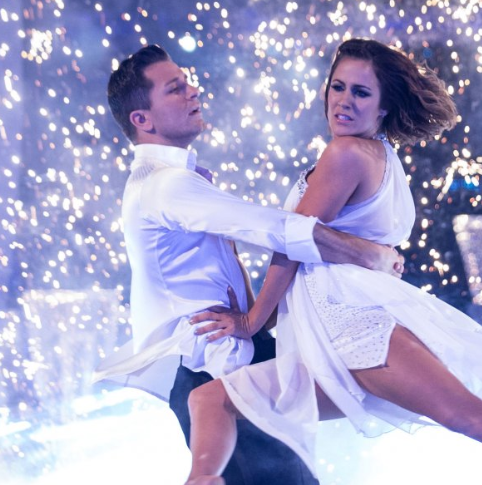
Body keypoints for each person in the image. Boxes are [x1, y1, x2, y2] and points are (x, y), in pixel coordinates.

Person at [184, 39, 482, 485]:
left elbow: (292, 241)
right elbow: (323, 238)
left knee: (470, 417)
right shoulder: (378, 152)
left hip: (355, 330)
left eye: (361, 92)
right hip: (330, 337)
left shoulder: (345, 154)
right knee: (209, 400)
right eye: (338, 87)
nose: (343, 101)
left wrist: (253, 321)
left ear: (383, 106)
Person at [94, 44, 405, 485]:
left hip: (235, 360)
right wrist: (370, 254)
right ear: (141, 119)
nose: (193, 91)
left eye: (188, 82)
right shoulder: (168, 187)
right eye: (175, 89)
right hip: (215, 367)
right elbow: (278, 228)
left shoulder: (172, 182)